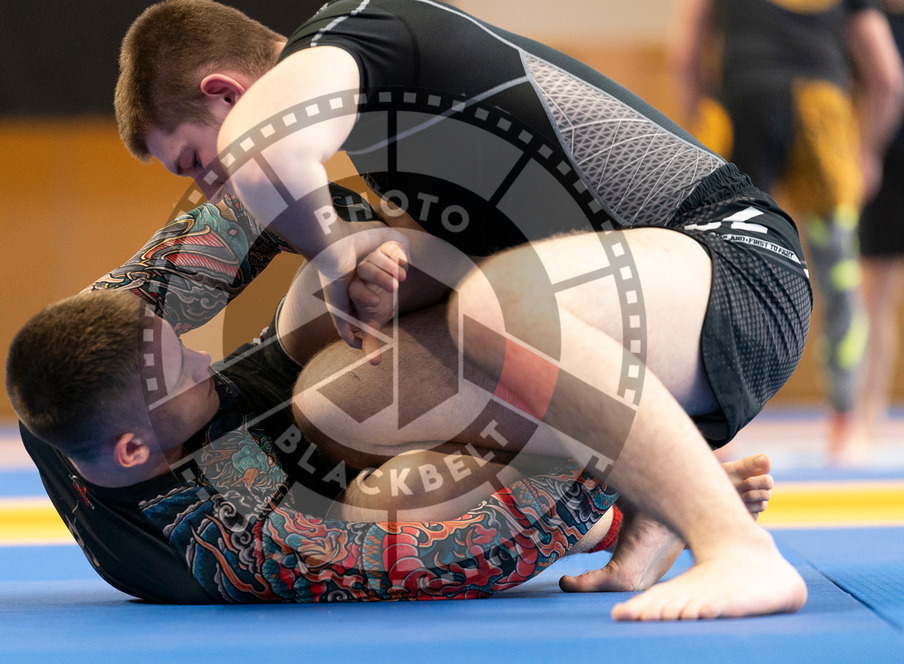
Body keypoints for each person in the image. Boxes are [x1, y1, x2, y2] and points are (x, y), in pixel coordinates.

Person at [112, 0, 808, 620]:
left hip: (737, 263)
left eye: (193, 162)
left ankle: (741, 548)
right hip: (642, 304)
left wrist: (328, 254)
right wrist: (384, 274)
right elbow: (488, 257)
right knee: (338, 400)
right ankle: (645, 503)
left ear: (224, 90)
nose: (209, 187)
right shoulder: (378, 127)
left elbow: (262, 150)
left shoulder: (353, 27)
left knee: (490, 309)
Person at [7, 190, 775, 603]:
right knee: (345, 424)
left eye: (178, 338)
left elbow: (246, 203)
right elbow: (445, 556)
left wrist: (355, 244)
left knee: (320, 295)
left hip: (280, 398)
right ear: (135, 448)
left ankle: (513, 276)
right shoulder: (224, 544)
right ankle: (632, 503)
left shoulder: (84, 354)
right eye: (181, 372)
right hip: (328, 493)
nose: (197, 354)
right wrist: (641, 473)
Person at [671, 0, 904, 460]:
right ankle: (846, 425)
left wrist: (695, 122)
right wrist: (868, 153)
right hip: (821, 113)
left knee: (725, 271)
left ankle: (715, 429)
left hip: (743, 110)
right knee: (839, 277)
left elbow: (684, 55)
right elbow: (888, 79)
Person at [858, 0, 904, 463]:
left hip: (883, 162)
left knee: (877, 300)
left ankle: (870, 408)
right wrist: (866, 150)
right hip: (886, 169)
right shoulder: (867, 17)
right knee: (877, 297)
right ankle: (870, 407)